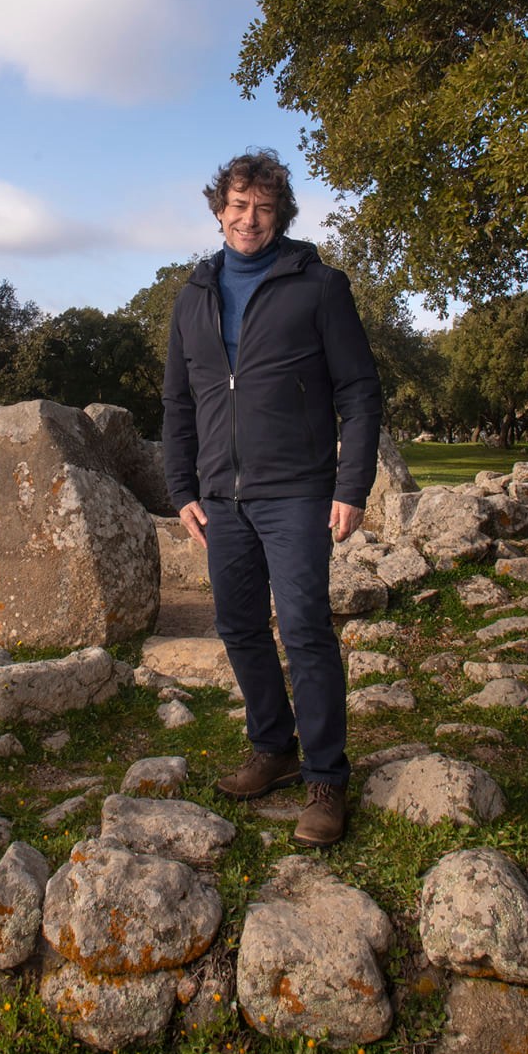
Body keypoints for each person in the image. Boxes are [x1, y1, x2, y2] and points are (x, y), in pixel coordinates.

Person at [161, 148, 382, 847]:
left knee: (307, 627)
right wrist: (182, 488)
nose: (248, 218)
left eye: (261, 207)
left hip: (298, 490)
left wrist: (353, 486)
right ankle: (273, 746)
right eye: (236, 205)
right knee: (239, 625)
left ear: (278, 213)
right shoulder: (191, 295)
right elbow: (178, 403)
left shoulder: (318, 286)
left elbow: (359, 390)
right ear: (218, 209)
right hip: (220, 498)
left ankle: (325, 779)